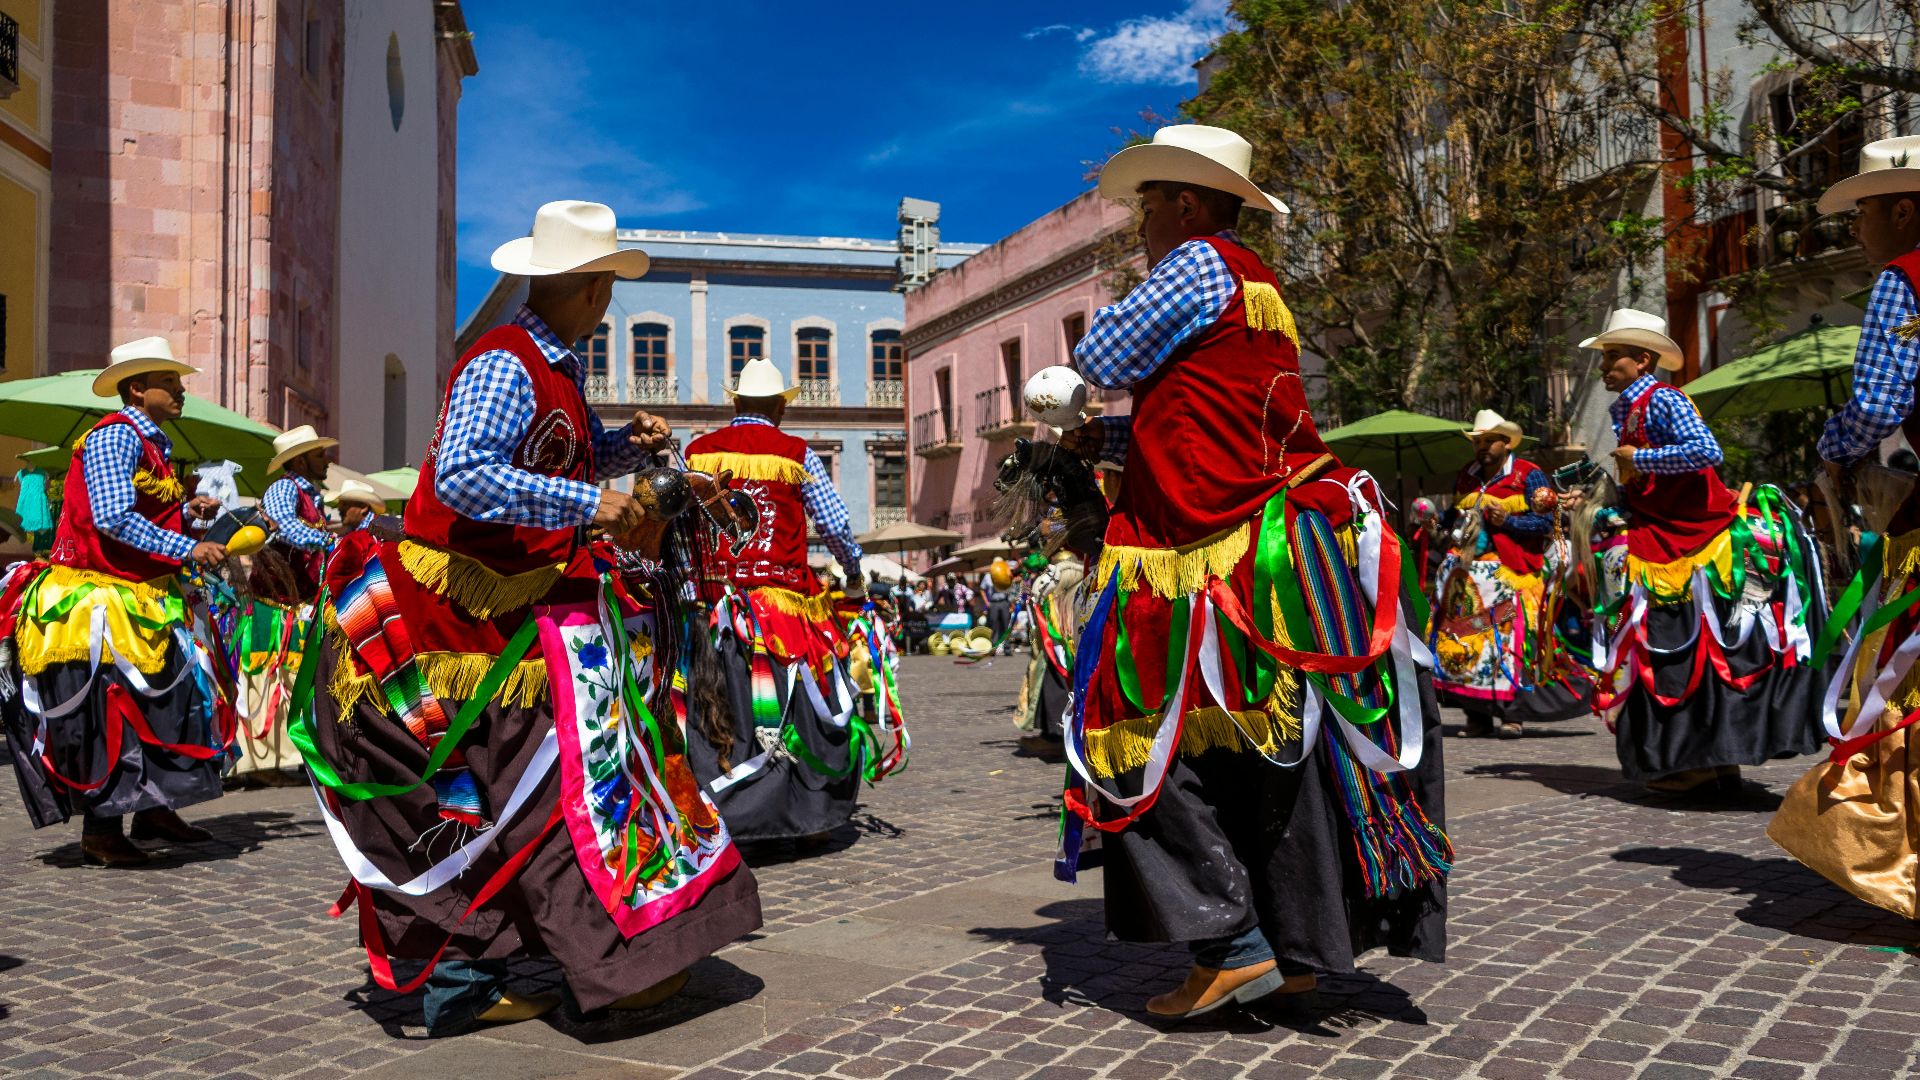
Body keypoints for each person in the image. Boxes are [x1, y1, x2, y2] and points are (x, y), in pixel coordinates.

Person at [298, 201, 761, 1036]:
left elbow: (549, 457)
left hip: (529, 606)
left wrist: (623, 444)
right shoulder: (504, 362)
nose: (607, 305)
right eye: (605, 288)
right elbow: (466, 476)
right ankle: (502, 966)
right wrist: (593, 501)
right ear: (583, 288)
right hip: (465, 619)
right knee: (520, 782)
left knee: (555, 778)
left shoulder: (557, 368)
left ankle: (571, 951)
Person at [1058, 125, 1448, 1020]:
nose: (1142, 228)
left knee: (1128, 730)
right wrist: (1109, 439)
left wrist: (1079, 393)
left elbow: (1101, 357)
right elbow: (1211, 417)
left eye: (1149, 206)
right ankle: (1293, 949)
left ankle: (1230, 944)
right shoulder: (1255, 285)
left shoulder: (1197, 264)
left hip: (1209, 557)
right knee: (1261, 757)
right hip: (1270, 536)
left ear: (1187, 205)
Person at [1, 337, 229, 866]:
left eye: (178, 382)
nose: (181, 392)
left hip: (141, 594)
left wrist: (188, 511)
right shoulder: (114, 438)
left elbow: (141, 513)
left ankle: (154, 810)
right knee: (115, 707)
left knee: (171, 704)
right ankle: (101, 830)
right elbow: (112, 518)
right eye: (169, 383)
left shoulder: (154, 446)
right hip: (98, 599)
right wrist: (190, 545)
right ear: (136, 389)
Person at [1583, 308, 1823, 795]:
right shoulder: (1621, 411)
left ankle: (1703, 762)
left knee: (1694, 647)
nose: (1605, 367)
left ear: (1643, 360)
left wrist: (1641, 457)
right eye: (1605, 358)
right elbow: (1646, 478)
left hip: (1699, 542)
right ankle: (1707, 762)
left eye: (1613, 358)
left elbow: (1706, 451)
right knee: (1685, 647)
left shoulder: (1666, 398)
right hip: (1661, 538)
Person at [1771, 135, 1920, 917]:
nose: (1855, 233)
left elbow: (1881, 403)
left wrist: (1832, 449)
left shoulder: (1903, 280)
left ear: (1902, 210)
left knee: (1903, 693)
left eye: (1862, 214)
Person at [680, 356, 907, 844]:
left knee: (714, 704)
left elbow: (681, 528)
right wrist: (852, 573)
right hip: (780, 611)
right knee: (798, 705)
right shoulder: (796, 454)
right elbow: (835, 524)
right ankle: (800, 817)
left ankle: (716, 812)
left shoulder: (697, 453)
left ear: (736, 401)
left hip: (711, 607)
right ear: (780, 408)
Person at [1431, 410, 1588, 738]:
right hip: (1470, 576)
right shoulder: (1467, 476)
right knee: (1468, 641)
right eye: (1478, 441)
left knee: (1510, 646)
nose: (1482, 447)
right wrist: (1437, 522)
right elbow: (1456, 515)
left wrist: (1510, 522)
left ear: (1507, 442)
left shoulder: (1528, 475)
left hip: (1511, 574)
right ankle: (1476, 718)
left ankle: (1511, 715)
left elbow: (1548, 522)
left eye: (1489, 440)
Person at [231, 425, 339, 785]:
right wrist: (330, 540)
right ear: (301, 459)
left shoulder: (313, 497)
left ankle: (288, 757)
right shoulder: (284, 488)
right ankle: (263, 764)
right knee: (266, 678)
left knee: (293, 679)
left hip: (297, 607)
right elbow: (285, 526)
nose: (326, 460)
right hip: (272, 608)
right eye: (320, 454)